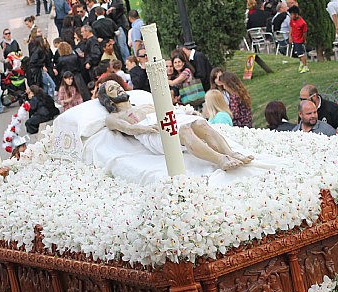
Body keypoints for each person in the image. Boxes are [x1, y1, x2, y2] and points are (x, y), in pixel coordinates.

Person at [98, 80, 253, 171]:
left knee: (199, 123)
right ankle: (220, 159)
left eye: (117, 85)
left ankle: (230, 153)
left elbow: (168, 110)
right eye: (112, 89)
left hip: (167, 120)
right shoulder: (113, 117)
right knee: (184, 129)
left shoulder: (143, 104)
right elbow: (126, 128)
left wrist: (185, 113)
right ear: (108, 100)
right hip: (152, 132)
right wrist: (144, 128)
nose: (118, 88)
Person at [288, 6, 309, 73]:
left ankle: (306, 67)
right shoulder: (292, 20)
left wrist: (304, 39)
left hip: (299, 40)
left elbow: (304, 32)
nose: (290, 16)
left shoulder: (302, 23)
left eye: (291, 14)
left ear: (296, 14)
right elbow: (291, 28)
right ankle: (301, 63)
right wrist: (290, 37)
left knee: (301, 54)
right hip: (294, 39)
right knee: (297, 53)